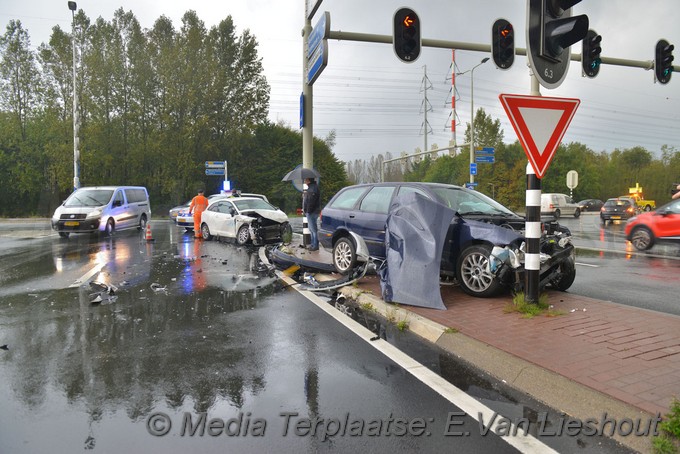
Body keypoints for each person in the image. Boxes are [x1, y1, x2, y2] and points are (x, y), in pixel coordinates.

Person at [303, 177, 320, 251]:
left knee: (313, 229)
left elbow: (311, 201)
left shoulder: (312, 189)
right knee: (312, 229)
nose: (304, 181)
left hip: (311, 212)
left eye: (305, 179)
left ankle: (315, 245)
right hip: (312, 211)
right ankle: (313, 245)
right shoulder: (312, 188)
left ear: (308, 180)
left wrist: (308, 211)